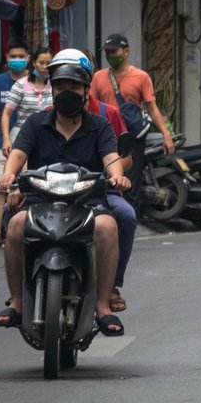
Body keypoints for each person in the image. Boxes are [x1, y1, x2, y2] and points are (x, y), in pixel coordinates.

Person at [0, 51, 130, 335]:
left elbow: (111, 158)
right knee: (16, 224)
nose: (66, 92)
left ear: (85, 91)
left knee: (108, 226)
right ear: (52, 89)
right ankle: (17, 301)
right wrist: (8, 174)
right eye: (60, 87)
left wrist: (118, 177)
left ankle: (103, 306)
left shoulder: (101, 125)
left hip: (87, 201)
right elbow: (18, 153)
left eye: (74, 87)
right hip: (40, 200)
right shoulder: (35, 123)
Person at [81, 51, 136, 314]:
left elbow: (124, 159)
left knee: (125, 215)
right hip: (55, 192)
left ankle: (112, 284)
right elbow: (26, 156)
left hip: (100, 191)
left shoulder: (107, 115)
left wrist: (114, 174)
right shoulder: (44, 116)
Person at [91, 34, 175, 154]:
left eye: (114, 51)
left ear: (126, 51)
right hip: (106, 136)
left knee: (132, 172)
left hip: (132, 137)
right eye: (107, 52)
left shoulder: (141, 77)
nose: (110, 55)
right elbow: (91, 107)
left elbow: (152, 108)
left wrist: (166, 135)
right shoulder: (98, 77)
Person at [0, 44, 30, 246]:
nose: (17, 59)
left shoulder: (37, 83)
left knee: (26, 186)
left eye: (21, 56)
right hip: (4, 143)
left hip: (29, 145)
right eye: (13, 56)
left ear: (28, 58)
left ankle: (17, 228)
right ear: (6, 57)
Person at [1, 47, 53, 155]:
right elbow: (6, 113)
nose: (44, 67)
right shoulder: (21, 84)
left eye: (48, 63)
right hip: (22, 135)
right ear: (34, 63)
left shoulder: (56, 86)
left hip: (48, 137)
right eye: (41, 62)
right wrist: (6, 139)